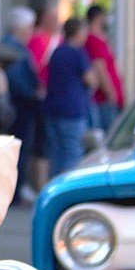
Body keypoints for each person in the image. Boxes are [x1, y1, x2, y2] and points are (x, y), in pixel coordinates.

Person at [0, 6, 44, 205]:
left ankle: (15, 190)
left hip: (21, 105)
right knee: (18, 150)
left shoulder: (15, 46)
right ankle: (15, 192)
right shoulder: (12, 48)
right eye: (28, 29)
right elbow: (16, 79)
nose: (31, 33)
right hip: (20, 106)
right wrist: (34, 93)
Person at [43, 17, 98, 177]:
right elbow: (90, 79)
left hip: (52, 107)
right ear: (78, 32)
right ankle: (67, 191)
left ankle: (53, 186)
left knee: (56, 154)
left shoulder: (57, 52)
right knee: (73, 154)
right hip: (72, 109)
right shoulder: (78, 53)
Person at [84, 4, 124, 132]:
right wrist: (111, 94)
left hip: (109, 98)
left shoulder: (101, 39)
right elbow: (99, 68)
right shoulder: (93, 39)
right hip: (104, 99)